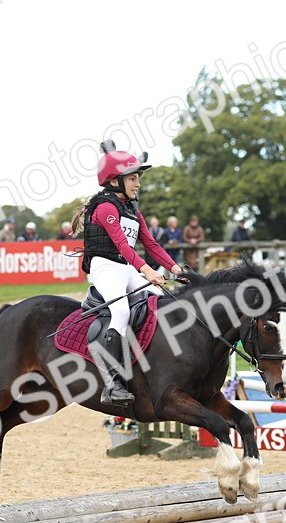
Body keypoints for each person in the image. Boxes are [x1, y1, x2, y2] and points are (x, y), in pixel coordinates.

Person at [71, 140, 191, 405]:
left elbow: (150, 243)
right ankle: (111, 383)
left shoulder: (132, 210)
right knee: (122, 311)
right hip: (105, 268)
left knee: (164, 303)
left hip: (127, 268)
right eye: (133, 178)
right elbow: (121, 245)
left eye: (138, 178)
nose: (138, 184)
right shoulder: (104, 207)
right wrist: (147, 270)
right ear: (115, 180)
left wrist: (175, 269)